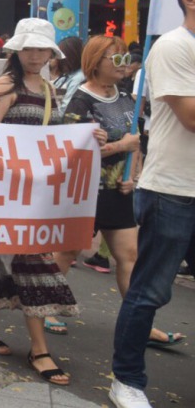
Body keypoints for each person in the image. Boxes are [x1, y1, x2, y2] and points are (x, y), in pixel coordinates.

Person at [0, 18, 77, 388]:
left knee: (8, 264)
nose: (34, 55)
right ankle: (39, 349)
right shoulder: (4, 86)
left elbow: (58, 138)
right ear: (17, 50)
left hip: (38, 195)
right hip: (8, 194)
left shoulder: (49, 89)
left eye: (41, 48)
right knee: (31, 264)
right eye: (28, 48)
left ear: (50, 53)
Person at [62, 35, 184, 351]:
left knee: (129, 256)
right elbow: (69, 152)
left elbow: (137, 147)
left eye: (124, 58)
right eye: (115, 59)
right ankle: (45, 307)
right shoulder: (81, 101)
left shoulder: (127, 97)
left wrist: (133, 176)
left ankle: (139, 324)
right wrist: (118, 147)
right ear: (95, 62)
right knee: (66, 253)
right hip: (85, 191)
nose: (123, 65)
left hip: (119, 192)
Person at [110, 0, 195, 408]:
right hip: (172, 191)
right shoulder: (174, 48)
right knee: (149, 292)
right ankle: (126, 380)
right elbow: (190, 117)